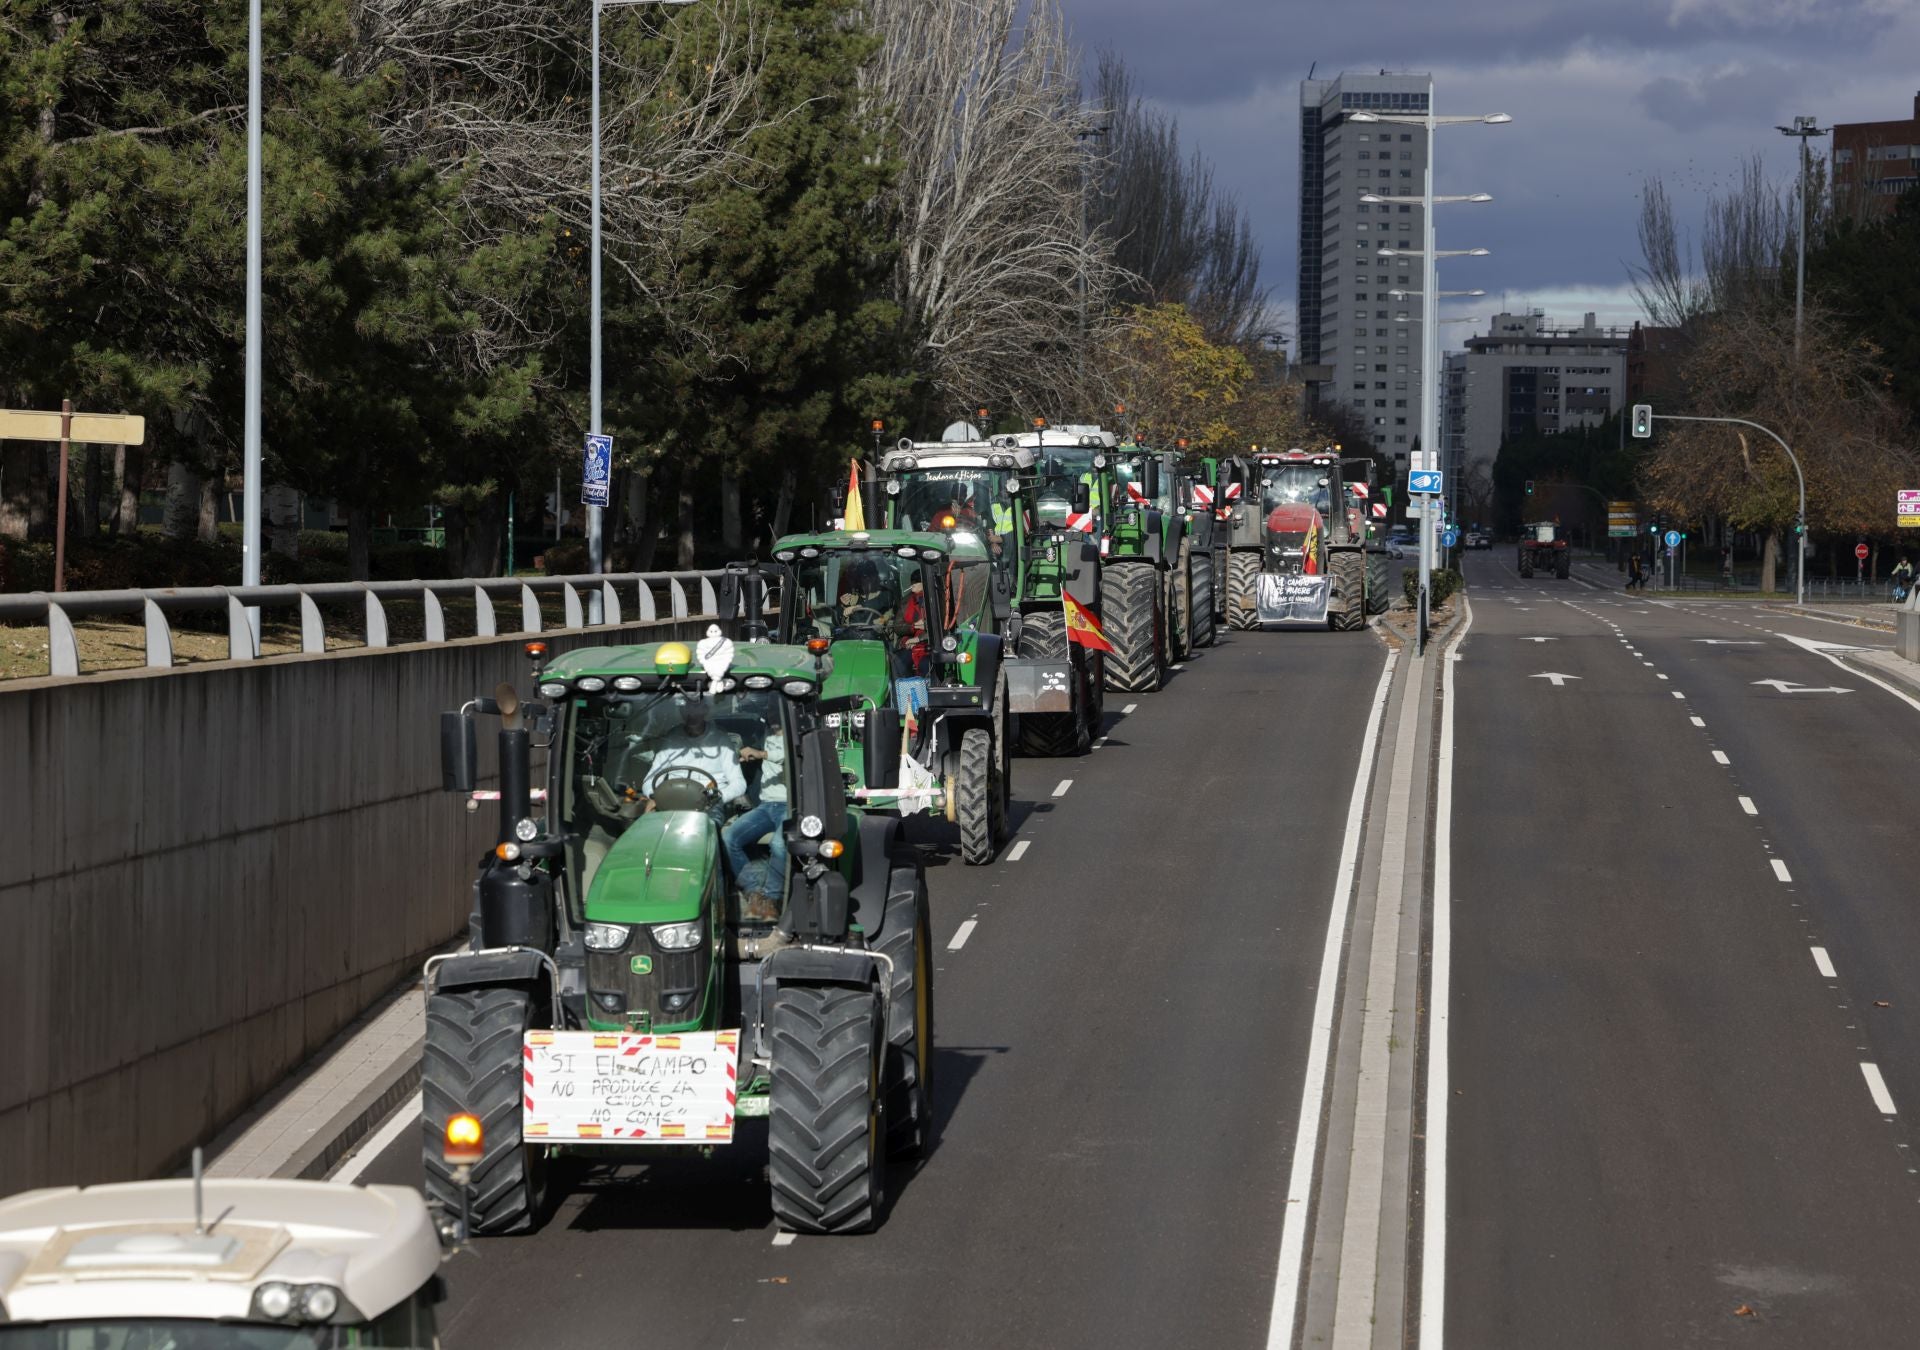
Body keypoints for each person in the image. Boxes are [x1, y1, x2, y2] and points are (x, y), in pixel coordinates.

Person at [637, 697, 752, 820]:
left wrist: (716, 798)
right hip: (674, 799)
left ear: (705, 709)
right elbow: (650, 778)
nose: (691, 713)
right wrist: (654, 797)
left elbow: (738, 783)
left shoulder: (721, 741)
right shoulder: (671, 739)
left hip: (709, 804)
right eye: (686, 707)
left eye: (696, 706)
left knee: (707, 829)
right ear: (681, 710)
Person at [723, 726, 786, 922]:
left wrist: (760, 754)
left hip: (792, 804)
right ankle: (754, 893)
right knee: (728, 838)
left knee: (779, 844)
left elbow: (791, 755)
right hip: (766, 805)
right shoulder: (765, 735)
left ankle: (771, 898)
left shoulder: (798, 735)